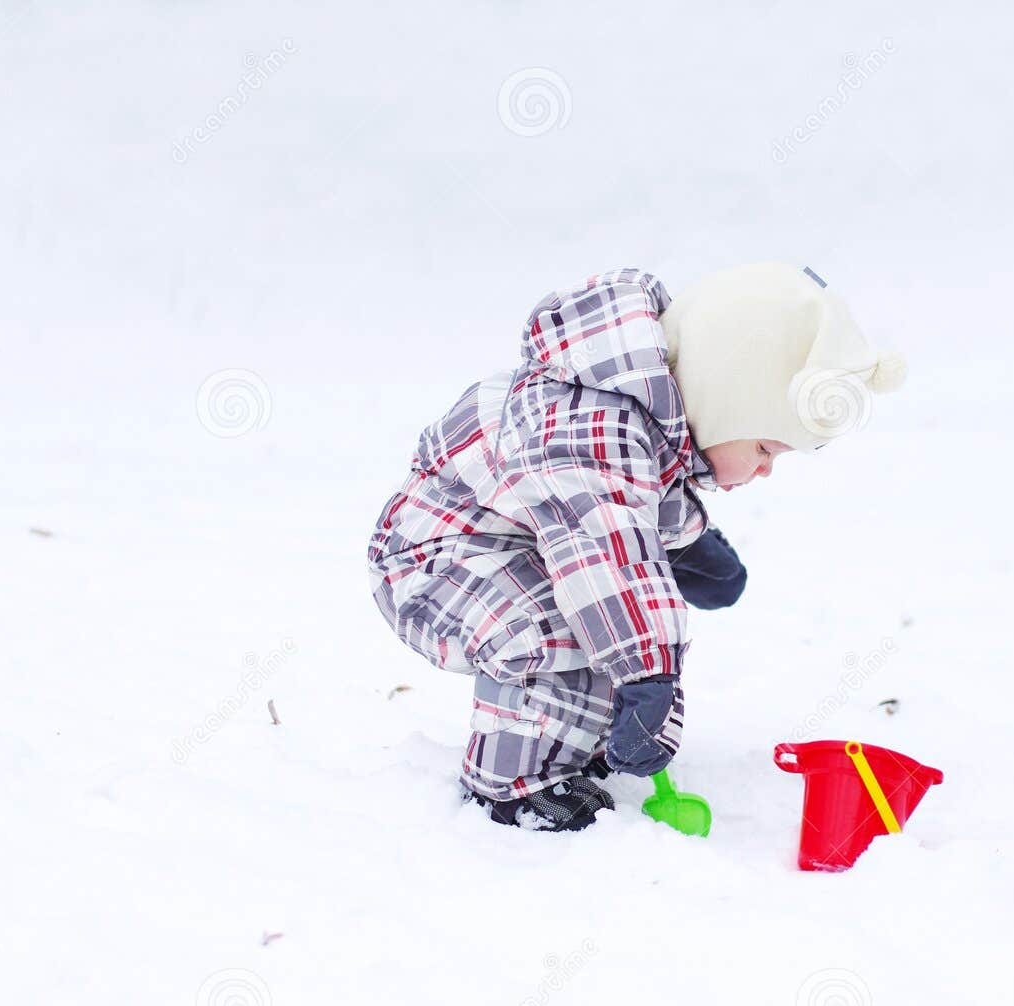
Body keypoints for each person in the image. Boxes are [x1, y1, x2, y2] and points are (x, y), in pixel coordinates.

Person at [366, 263, 905, 831]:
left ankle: (574, 743)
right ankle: (514, 788)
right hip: (438, 562)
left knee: (602, 622)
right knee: (570, 624)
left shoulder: (633, 411)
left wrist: (692, 545)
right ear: (724, 401)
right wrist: (653, 680)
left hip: (514, 546)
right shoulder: (588, 430)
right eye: (766, 447)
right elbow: (608, 559)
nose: (765, 469)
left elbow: (638, 496)